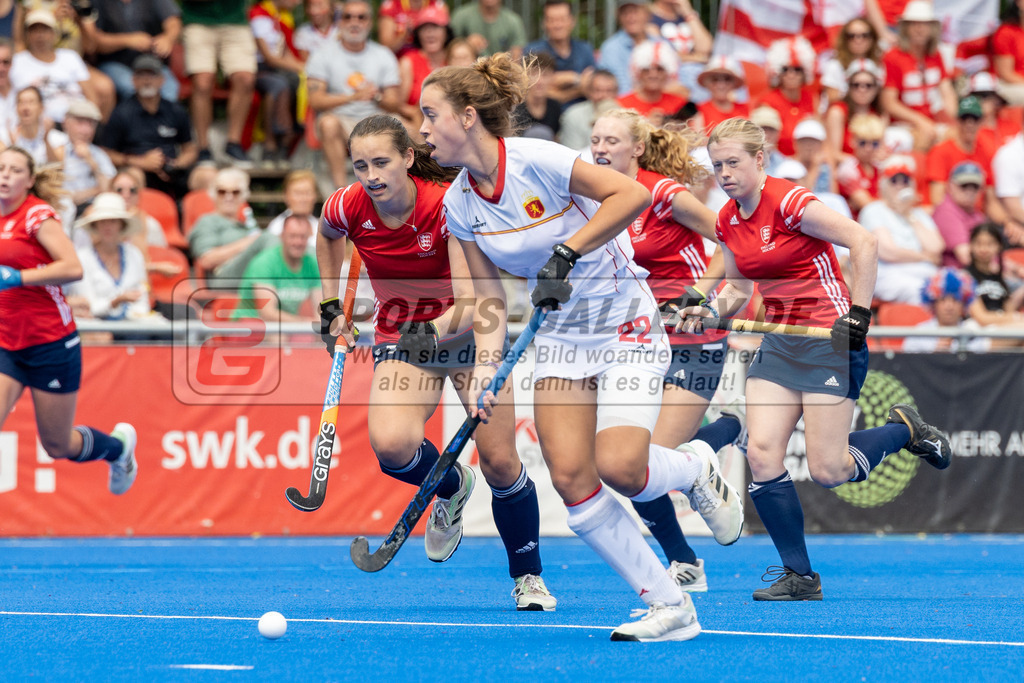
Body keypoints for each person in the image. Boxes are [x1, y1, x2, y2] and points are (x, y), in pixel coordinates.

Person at [419, 54, 744, 640]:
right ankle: (669, 605)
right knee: (571, 479)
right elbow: (487, 299)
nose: (421, 129)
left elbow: (628, 196)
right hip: (563, 337)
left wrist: (566, 252)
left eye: (429, 115)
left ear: (468, 118)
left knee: (621, 466)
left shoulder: (538, 160)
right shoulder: (459, 204)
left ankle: (696, 464)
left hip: (623, 319)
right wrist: (489, 372)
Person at [679, 116, 951, 600]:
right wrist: (706, 312)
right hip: (780, 341)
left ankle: (905, 430)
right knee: (762, 453)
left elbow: (863, 241)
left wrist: (860, 313)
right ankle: (800, 576)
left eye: (734, 163)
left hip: (830, 338)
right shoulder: (727, 219)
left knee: (830, 471)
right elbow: (739, 288)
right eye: (717, 165)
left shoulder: (790, 201)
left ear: (760, 160)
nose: (724, 174)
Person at [318, 114, 556, 611]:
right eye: (361, 165)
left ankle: (528, 577)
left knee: (500, 462)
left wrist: (427, 330)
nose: (372, 175)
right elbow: (328, 235)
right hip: (405, 337)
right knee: (393, 446)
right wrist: (328, 306)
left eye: (382, 162)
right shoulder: (346, 204)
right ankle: (451, 484)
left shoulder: (446, 205)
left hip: (469, 330)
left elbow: (470, 297)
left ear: (408, 157)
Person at [590, 107, 746, 592]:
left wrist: (701, 294)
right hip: (635, 341)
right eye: (594, 139)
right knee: (627, 463)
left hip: (692, 338)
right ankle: (684, 560)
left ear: (636, 148)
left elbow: (730, 240)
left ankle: (728, 429)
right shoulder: (591, 197)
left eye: (611, 141)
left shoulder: (662, 193)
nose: (599, 149)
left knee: (648, 456)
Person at [0, 145, 138, 495]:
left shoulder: (37, 216)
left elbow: (72, 268)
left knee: (57, 446)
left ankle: (118, 450)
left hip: (50, 344)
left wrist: (18, 278)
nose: (5, 175)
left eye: (15, 170)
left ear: (30, 180)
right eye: (1, 168)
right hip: (6, 344)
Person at [306, 0, 404, 188]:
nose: (354, 22)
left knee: (410, 128)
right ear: (339, 22)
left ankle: (403, 188)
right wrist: (353, 97)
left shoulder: (383, 55)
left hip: (377, 119)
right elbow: (316, 100)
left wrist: (376, 96)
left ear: (370, 23)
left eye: (361, 17)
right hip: (341, 120)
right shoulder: (322, 55)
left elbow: (394, 102)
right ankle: (340, 190)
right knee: (327, 123)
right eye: (348, 16)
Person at [96, 54, 197, 200]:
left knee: (205, 175)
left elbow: (190, 149)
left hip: (173, 170)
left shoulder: (176, 111)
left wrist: (176, 164)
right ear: (133, 80)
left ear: (162, 80)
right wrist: (140, 162)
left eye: (152, 75)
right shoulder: (121, 113)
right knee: (133, 176)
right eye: (141, 75)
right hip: (137, 168)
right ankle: (140, 219)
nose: (147, 80)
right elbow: (106, 153)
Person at [858, 154, 943, 304]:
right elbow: (888, 252)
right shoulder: (874, 210)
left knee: (950, 285)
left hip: (924, 271)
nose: (899, 186)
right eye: (894, 181)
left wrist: (909, 215)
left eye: (905, 181)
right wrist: (925, 257)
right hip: (888, 273)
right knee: (919, 290)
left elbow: (936, 247)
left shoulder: (918, 214)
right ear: (884, 185)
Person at [180, 0, 258, 164]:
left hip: (235, 22)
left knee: (245, 79)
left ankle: (233, 143)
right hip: (197, 21)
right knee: (202, 82)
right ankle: (203, 148)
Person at [880, 1, 957, 150]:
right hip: (903, 124)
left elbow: (947, 91)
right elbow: (889, 103)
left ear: (932, 28)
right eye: (914, 24)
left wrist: (954, 118)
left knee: (959, 136)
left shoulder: (935, 55)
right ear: (906, 28)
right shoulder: (893, 57)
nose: (919, 29)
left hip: (931, 120)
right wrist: (919, 120)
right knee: (924, 137)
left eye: (924, 25)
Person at [65, 192, 151, 322]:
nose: (107, 226)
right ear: (95, 225)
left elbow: (142, 300)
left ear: (121, 225)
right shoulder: (82, 257)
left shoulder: (134, 254)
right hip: (96, 328)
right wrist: (115, 302)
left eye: (113, 221)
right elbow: (88, 306)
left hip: (134, 326)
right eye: (102, 221)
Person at [188, 167, 275, 282]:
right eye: (222, 192)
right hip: (223, 278)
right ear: (213, 194)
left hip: (250, 274)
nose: (229, 197)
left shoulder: (245, 224)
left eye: (235, 192)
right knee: (267, 238)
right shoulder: (207, 221)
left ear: (243, 196)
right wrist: (249, 242)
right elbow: (207, 260)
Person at [84, 0, 182, 101]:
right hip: (115, 63)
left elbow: (173, 21)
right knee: (132, 89)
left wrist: (167, 38)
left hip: (153, 64)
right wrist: (128, 40)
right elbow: (94, 43)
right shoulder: (98, 2)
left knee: (170, 89)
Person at [11, 10, 95, 125]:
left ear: (54, 33)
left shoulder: (71, 57)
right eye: (34, 30)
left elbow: (91, 94)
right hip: (41, 125)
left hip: (78, 122)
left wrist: (91, 118)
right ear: (27, 35)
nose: (40, 35)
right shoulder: (16, 62)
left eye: (45, 30)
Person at [235, 213, 318, 322]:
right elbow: (268, 313)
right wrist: (307, 323)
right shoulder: (265, 262)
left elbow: (321, 308)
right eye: (293, 236)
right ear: (282, 236)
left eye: (303, 237)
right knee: (278, 335)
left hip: (287, 327)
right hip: (248, 324)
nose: (298, 242)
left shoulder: (312, 264)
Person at [756, 36, 819, 158]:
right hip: (778, 163)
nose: (791, 75)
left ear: (804, 73)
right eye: (785, 70)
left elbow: (820, 137)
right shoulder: (767, 102)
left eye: (797, 69)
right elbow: (765, 144)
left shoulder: (812, 98)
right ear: (778, 73)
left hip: (809, 161)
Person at [523, 0, 596, 105]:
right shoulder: (533, 51)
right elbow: (532, 90)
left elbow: (593, 86)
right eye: (552, 20)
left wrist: (555, 84)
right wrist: (576, 80)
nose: (557, 25)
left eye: (562, 19)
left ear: (572, 21)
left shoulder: (585, 49)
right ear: (544, 23)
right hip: (544, 113)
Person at [55, 99, 114, 210]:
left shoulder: (99, 155)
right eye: (80, 122)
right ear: (66, 122)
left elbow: (107, 190)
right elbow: (56, 194)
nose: (86, 130)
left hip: (95, 211)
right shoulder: (55, 149)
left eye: (91, 124)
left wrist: (90, 160)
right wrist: (96, 190)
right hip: (63, 209)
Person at [617, 41, 686, 127]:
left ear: (668, 73)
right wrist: (646, 124)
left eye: (659, 69)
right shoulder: (621, 105)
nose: (653, 75)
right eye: (646, 70)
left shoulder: (680, 104)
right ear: (638, 73)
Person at [932, 161, 988, 268]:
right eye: (964, 185)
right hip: (959, 277)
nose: (970, 191)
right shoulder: (946, 212)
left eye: (975, 186)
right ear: (950, 186)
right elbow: (966, 257)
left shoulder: (977, 215)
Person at [820, 17, 884, 105]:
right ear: (845, 39)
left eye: (864, 35)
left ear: (872, 38)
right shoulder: (835, 65)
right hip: (844, 112)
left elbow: (884, 99)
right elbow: (833, 99)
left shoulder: (880, 64)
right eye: (851, 36)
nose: (858, 40)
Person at [558, 69, 617, 151]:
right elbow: (572, 155)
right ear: (589, 92)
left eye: (609, 91)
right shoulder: (573, 115)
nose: (603, 95)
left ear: (616, 93)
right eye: (598, 90)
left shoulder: (625, 117)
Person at [690, 56, 747, 136]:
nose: (721, 85)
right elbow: (696, 142)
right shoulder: (697, 110)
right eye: (715, 79)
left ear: (734, 83)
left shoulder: (745, 109)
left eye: (727, 79)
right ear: (707, 83)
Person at [449, 0, 525, 60]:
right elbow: (447, 48)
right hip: (468, 73)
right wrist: (467, 44)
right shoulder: (461, 16)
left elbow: (516, 59)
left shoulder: (513, 20)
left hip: (500, 73)